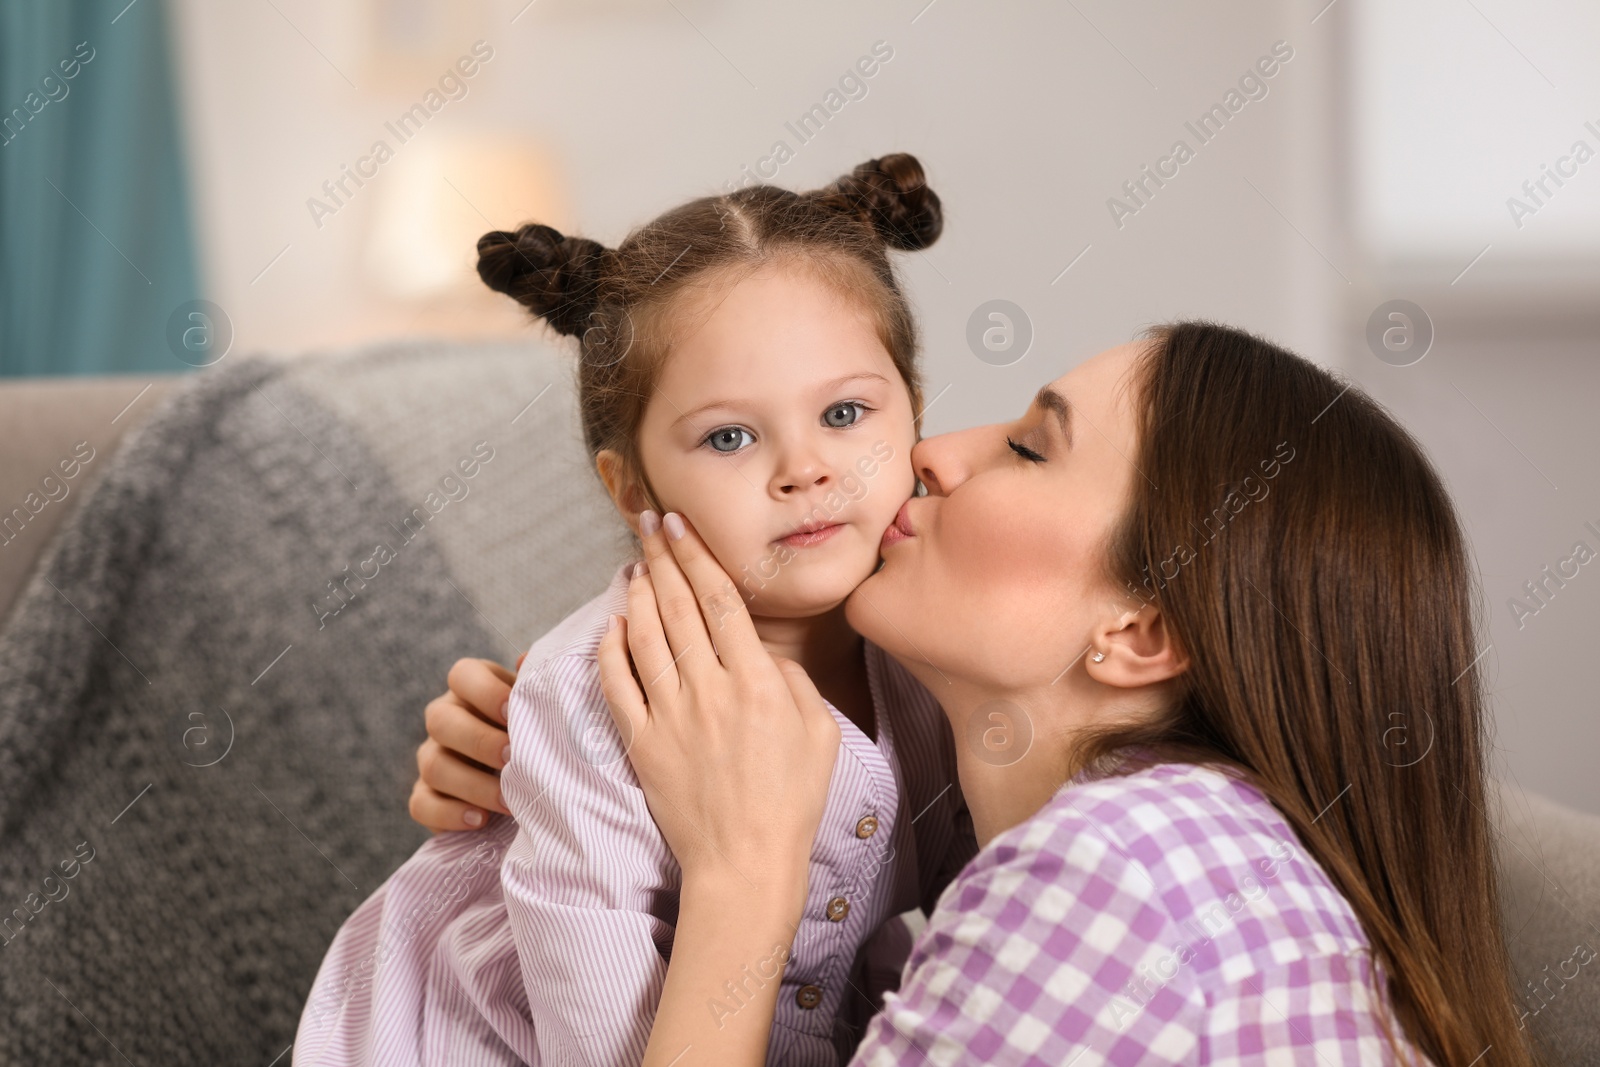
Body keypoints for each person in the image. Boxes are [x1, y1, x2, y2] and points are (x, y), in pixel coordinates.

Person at [420, 324, 1539, 1064]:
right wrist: (570, 749)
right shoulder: (1191, 840)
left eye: (1027, 448)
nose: (936, 454)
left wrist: (743, 868)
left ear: (1140, 632)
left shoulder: (1113, 875)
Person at [294, 154, 979, 1066]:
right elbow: (602, 1045)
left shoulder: (943, 641)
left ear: (915, 415)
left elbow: (1007, 909)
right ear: (631, 487)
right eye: (730, 436)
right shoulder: (588, 700)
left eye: (847, 413)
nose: (806, 468)